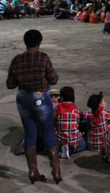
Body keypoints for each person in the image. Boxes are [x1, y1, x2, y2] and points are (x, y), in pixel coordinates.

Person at [6, 29, 60, 184]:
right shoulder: (43, 58)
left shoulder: (17, 60)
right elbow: (53, 79)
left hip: (24, 99)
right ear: (40, 42)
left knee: (30, 134)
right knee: (48, 133)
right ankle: (56, 171)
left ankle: (32, 171)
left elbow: (10, 84)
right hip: (41, 98)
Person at [55, 86, 87, 158]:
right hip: (74, 141)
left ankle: (63, 150)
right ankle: (71, 149)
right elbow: (78, 123)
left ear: (61, 98)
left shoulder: (57, 108)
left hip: (60, 141)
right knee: (83, 143)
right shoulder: (76, 110)